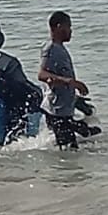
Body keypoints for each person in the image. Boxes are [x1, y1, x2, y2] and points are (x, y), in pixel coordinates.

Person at [37, 11, 91, 149]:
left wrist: (76, 99)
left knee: (84, 137)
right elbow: (42, 74)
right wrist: (69, 82)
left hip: (64, 110)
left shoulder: (60, 48)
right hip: (56, 112)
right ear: (59, 27)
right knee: (69, 151)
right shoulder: (51, 48)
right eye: (69, 27)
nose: (71, 31)